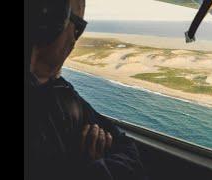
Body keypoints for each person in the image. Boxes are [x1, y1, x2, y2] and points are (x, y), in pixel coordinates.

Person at [28, 0, 147, 179]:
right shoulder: (57, 104)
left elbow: (125, 145)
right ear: (50, 23)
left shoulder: (61, 93)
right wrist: (91, 169)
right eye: (78, 27)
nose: (75, 41)